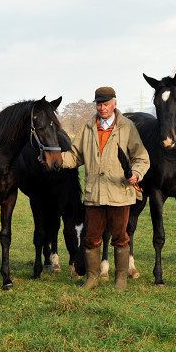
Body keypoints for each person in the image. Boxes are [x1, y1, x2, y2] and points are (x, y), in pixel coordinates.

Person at [61, 86, 150, 290]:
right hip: (95, 195)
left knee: (120, 238)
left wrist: (136, 173)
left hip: (120, 194)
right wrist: (56, 159)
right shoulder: (88, 127)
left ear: (114, 104)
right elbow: (75, 156)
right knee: (91, 238)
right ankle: (92, 279)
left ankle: (120, 280)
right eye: (99, 104)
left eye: (106, 104)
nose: (102, 108)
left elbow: (141, 158)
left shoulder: (127, 127)